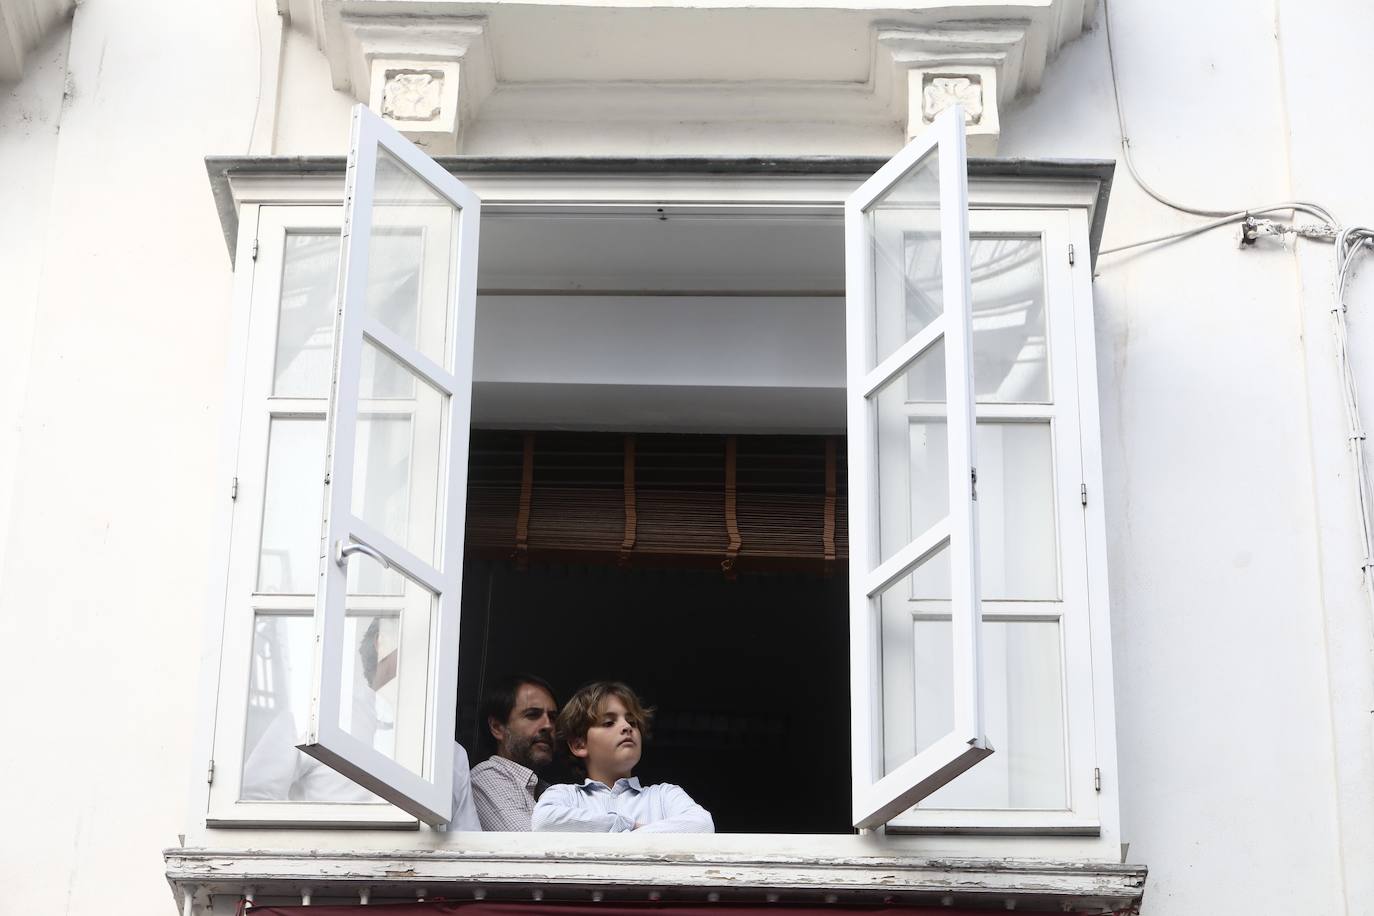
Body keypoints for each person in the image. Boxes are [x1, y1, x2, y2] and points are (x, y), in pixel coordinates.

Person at [241, 617, 481, 831]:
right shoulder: (314, 716)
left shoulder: (450, 753)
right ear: (383, 643)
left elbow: (468, 849)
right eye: (427, 644)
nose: (437, 658)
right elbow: (253, 801)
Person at [532, 681, 713, 833]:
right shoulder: (565, 795)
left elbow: (702, 824)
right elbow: (544, 820)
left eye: (632, 721)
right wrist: (625, 824)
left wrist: (629, 838)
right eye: (609, 722)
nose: (627, 727)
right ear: (579, 745)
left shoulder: (664, 795)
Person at [470, 673, 559, 831]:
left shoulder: (548, 790)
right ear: (497, 727)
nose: (548, 725)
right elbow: (532, 851)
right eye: (533, 715)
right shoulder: (487, 776)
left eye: (552, 717)